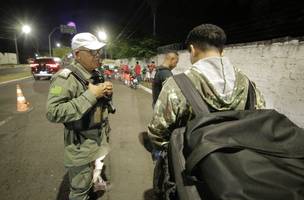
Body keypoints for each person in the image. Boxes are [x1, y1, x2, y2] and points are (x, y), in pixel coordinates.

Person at [147, 24, 265, 149]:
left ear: (192, 49)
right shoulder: (249, 85)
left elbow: (157, 132)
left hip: (196, 163)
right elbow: (258, 119)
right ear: (222, 50)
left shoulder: (177, 85)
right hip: (239, 163)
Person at [46, 32, 113, 200]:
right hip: (80, 146)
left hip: (97, 140)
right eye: (92, 52)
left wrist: (106, 93)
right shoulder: (66, 78)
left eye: (98, 51)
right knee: (80, 192)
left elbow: (99, 103)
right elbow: (53, 112)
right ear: (77, 54)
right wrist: (91, 95)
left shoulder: (96, 73)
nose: (97, 55)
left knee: (90, 179)